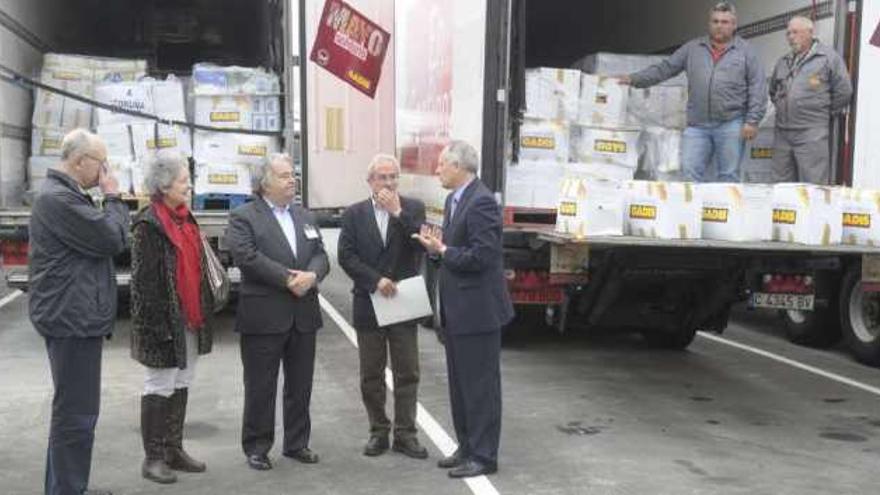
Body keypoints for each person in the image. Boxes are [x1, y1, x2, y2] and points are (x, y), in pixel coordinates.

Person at [28, 129, 129, 495]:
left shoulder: (66, 195)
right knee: (76, 415)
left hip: (74, 315)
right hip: (71, 319)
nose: (104, 171)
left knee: (74, 412)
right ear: (80, 161)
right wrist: (114, 197)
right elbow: (113, 239)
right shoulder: (59, 200)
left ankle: (67, 486)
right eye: (101, 163)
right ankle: (67, 490)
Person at [412, 140, 514, 478]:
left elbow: (483, 256)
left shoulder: (481, 202)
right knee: (459, 385)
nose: (437, 169)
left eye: (442, 164)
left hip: (478, 312)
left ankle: (484, 456)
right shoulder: (456, 199)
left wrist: (444, 251)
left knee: (480, 387)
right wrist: (436, 249)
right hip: (458, 311)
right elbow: (455, 249)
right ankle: (467, 446)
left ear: (459, 167)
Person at [226, 153, 330, 471]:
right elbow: (246, 256)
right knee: (261, 385)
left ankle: (297, 443)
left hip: (303, 315)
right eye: (284, 175)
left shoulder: (304, 216)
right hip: (264, 315)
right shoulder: (244, 216)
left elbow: (321, 254)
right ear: (264, 183)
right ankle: (257, 446)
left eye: (293, 174)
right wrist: (288, 279)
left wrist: (312, 276)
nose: (292, 180)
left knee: (300, 385)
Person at [130, 150, 215, 483]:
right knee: (159, 384)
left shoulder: (185, 217)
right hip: (164, 324)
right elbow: (144, 285)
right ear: (164, 185)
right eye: (183, 180)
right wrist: (156, 328)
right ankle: (152, 458)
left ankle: (172, 450)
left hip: (189, 319)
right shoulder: (149, 224)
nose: (189, 186)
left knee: (182, 381)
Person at [338, 154, 429, 459]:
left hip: (403, 302)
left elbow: (421, 245)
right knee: (371, 375)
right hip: (370, 300)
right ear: (370, 181)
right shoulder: (353, 214)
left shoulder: (412, 208)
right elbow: (346, 256)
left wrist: (398, 212)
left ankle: (406, 434)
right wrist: (375, 280)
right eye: (383, 177)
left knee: (407, 372)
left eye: (394, 177)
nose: (389, 183)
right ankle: (378, 431)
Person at [618, 1, 767, 182]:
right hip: (698, 126)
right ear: (709, 23)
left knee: (729, 176)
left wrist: (752, 121)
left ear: (734, 25)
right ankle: (692, 210)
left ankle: (727, 209)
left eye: (725, 22)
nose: (719, 26)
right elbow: (665, 68)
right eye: (715, 21)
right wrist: (634, 79)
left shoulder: (746, 51)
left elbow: (757, 86)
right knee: (689, 175)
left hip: (731, 124)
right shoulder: (693, 48)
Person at [769, 15, 853, 184]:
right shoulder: (783, 61)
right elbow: (772, 91)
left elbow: (844, 91)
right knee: (780, 184)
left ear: (810, 32)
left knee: (813, 184)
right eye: (788, 33)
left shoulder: (828, 58)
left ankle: (814, 212)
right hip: (783, 133)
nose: (791, 37)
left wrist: (823, 112)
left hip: (811, 132)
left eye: (795, 32)